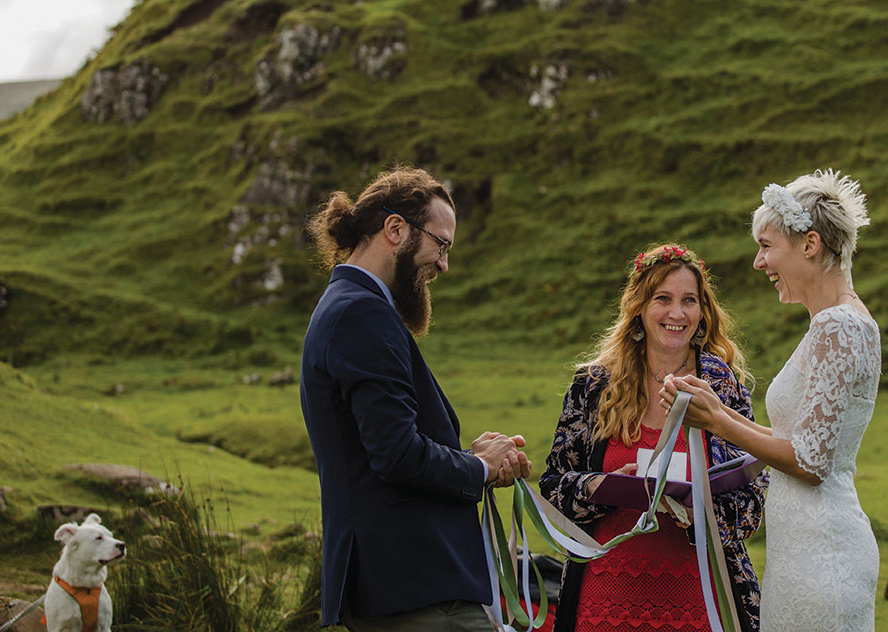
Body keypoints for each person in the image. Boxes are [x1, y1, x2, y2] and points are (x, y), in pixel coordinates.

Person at [299, 165, 531, 631]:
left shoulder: (354, 306)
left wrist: (468, 458)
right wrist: (481, 468)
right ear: (395, 229)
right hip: (412, 587)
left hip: (408, 584)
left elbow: (386, 446)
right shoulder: (361, 313)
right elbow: (397, 456)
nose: (443, 264)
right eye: (440, 244)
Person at [660, 170, 880, 632]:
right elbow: (795, 439)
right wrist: (712, 412)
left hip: (822, 553)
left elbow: (811, 462)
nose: (759, 262)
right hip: (805, 548)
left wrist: (720, 421)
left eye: (766, 245)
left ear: (809, 244)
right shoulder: (844, 321)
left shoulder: (836, 327)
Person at [540, 243, 768, 632]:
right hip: (605, 598)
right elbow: (553, 487)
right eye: (663, 298)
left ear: (702, 311)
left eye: (689, 300)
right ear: (639, 306)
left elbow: (751, 500)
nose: (677, 313)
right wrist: (602, 485)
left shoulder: (722, 387)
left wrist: (701, 514)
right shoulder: (593, 385)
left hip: (701, 601)